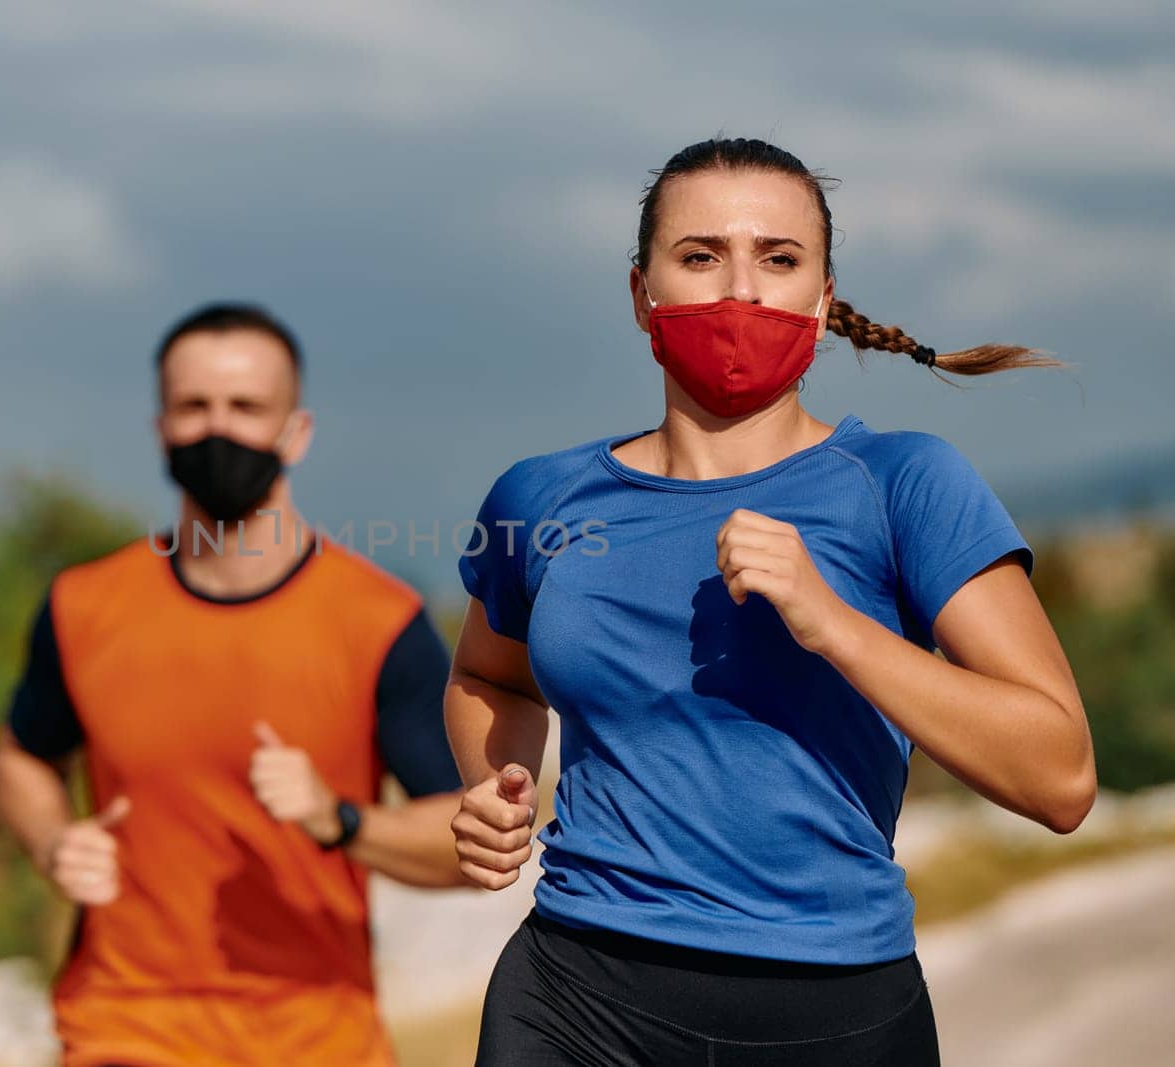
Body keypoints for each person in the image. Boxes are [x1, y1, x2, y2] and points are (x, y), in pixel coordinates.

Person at [445, 138, 1096, 1066]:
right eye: (701, 256)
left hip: (834, 1008)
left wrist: (836, 624)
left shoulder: (902, 481)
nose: (739, 290)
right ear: (643, 295)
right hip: (575, 997)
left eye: (779, 260)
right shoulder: (538, 498)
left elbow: (1062, 776)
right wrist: (494, 783)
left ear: (823, 300)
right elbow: (486, 675)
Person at [0, 303, 467, 1067]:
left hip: (317, 1037)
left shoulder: (379, 621)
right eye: (193, 406)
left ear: (296, 431)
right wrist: (52, 840)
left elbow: (466, 841)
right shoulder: (85, 606)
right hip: (126, 1024)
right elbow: (21, 757)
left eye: (246, 407)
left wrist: (341, 820)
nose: (217, 429)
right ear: (160, 429)